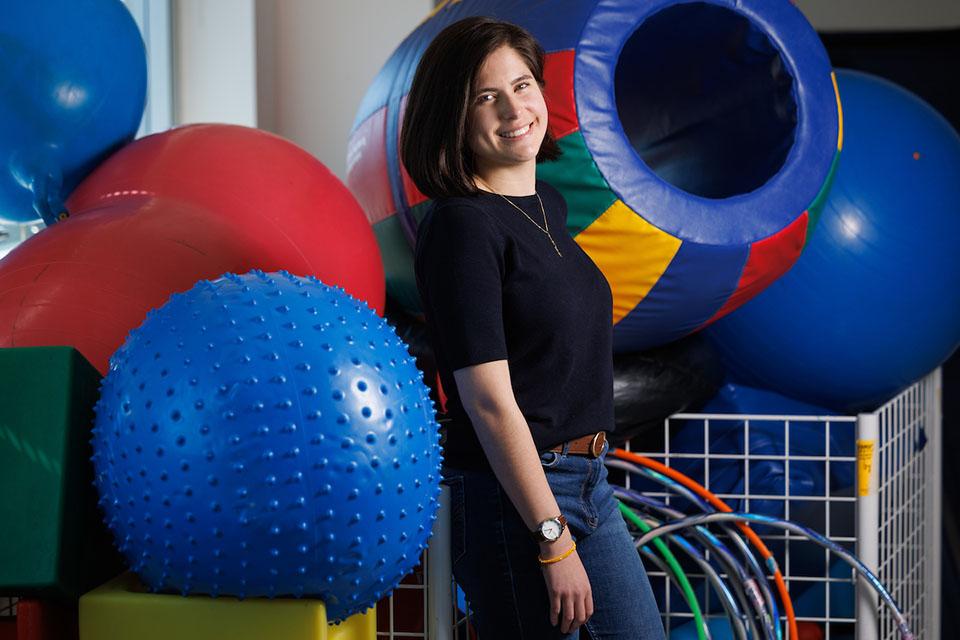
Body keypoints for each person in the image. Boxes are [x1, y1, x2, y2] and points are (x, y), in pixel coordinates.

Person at [401, 16, 665, 640]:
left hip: (587, 481)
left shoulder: (548, 205)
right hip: (517, 497)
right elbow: (489, 401)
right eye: (486, 97)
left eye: (523, 86)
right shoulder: (463, 227)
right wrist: (551, 537)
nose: (514, 109)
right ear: (455, 118)